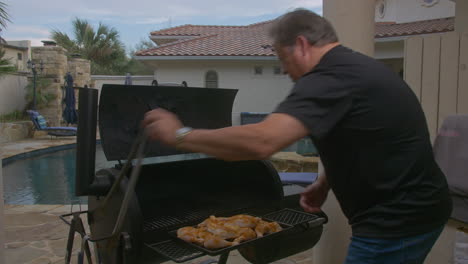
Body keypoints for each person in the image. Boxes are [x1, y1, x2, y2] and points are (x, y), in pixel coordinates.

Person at [142, 9, 452, 264]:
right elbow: (361, 137)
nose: (283, 69)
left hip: (396, 221)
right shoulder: (355, 68)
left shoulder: (328, 78)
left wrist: (179, 134)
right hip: (421, 208)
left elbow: (262, 142)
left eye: (281, 56)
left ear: (301, 44)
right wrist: (324, 182)